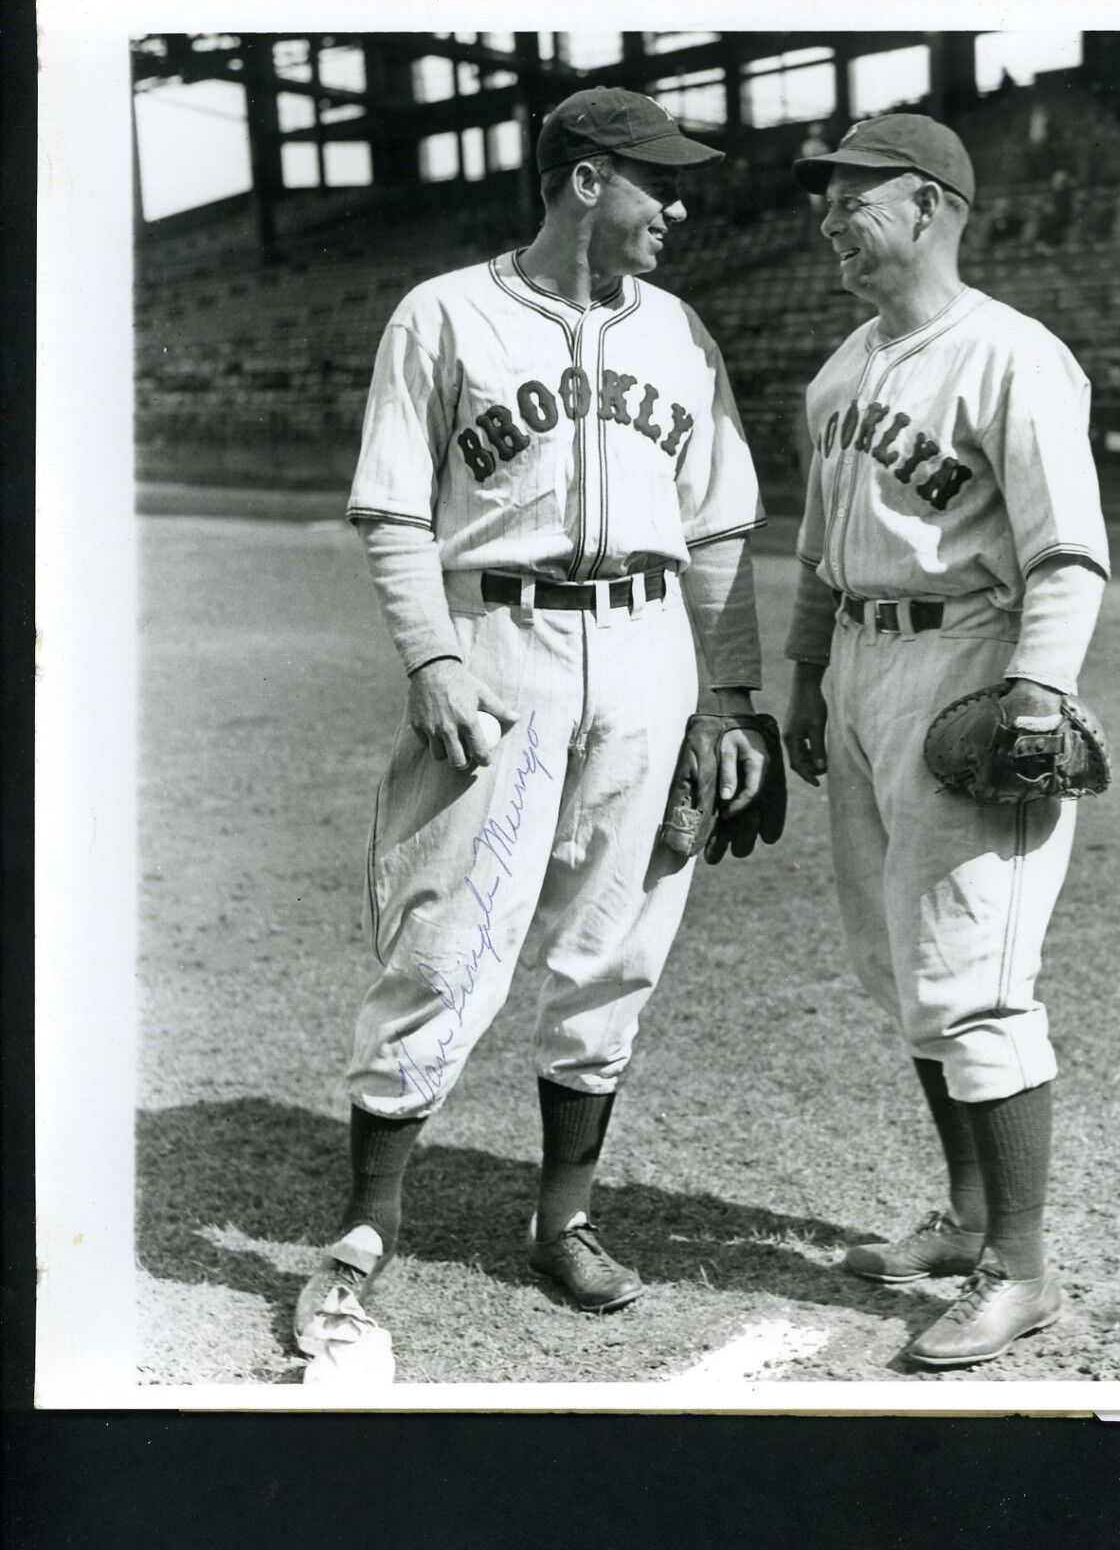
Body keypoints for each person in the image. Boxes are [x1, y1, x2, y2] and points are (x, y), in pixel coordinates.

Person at [294, 87, 771, 1378]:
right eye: (652, 184)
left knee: (617, 943)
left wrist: (729, 699)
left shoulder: (679, 333)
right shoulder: (443, 314)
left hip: (648, 649)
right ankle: (367, 1221)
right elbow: (392, 508)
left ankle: (563, 1216)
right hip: (498, 641)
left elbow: (719, 527)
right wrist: (433, 655)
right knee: (448, 931)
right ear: (581, 182)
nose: (674, 208)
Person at [785, 114, 1109, 1368]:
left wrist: (1037, 695)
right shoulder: (840, 371)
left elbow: (1068, 553)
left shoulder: (1014, 357)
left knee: (976, 978)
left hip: (969, 668)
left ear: (926, 206)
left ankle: (1022, 1271)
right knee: (902, 969)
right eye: (824, 202)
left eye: (851, 199)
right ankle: (972, 1215)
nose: (829, 220)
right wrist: (809, 680)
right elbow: (816, 555)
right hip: (863, 667)